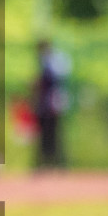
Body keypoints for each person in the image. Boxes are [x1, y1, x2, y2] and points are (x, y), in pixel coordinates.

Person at [34, 39, 69, 169]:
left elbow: (51, 83)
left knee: (52, 135)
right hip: (46, 105)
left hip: (51, 104)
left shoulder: (52, 63)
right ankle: (47, 162)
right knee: (46, 135)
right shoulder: (48, 63)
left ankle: (55, 163)